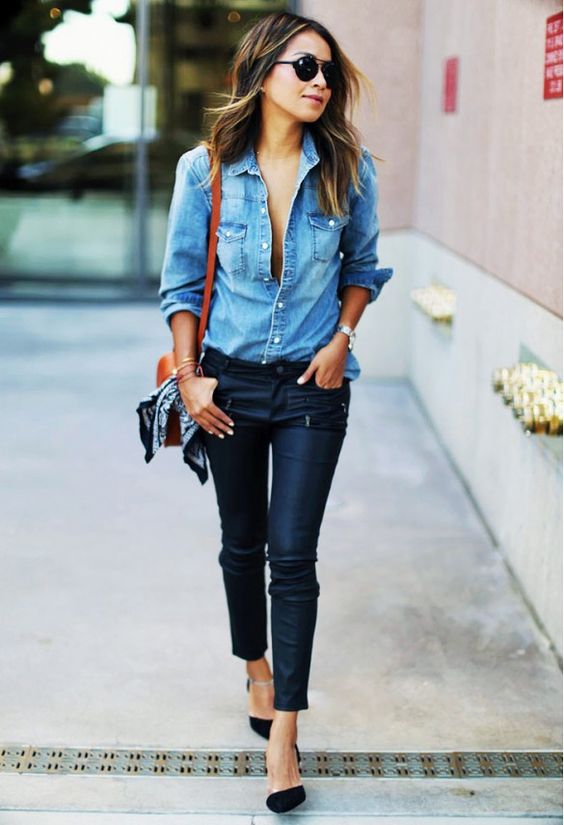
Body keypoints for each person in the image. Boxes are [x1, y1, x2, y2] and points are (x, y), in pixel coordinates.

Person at [158, 10, 394, 814]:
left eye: (328, 69)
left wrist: (343, 336)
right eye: (304, 67)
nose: (321, 81)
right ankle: (253, 666)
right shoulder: (207, 171)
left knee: (293, 559)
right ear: (263, 73)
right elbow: (182, 284)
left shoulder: (348, 168)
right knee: (241, 544)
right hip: (227, 386)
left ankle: (286, 734)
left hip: (312, 389)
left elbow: (363, 267)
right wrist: (190, 378)